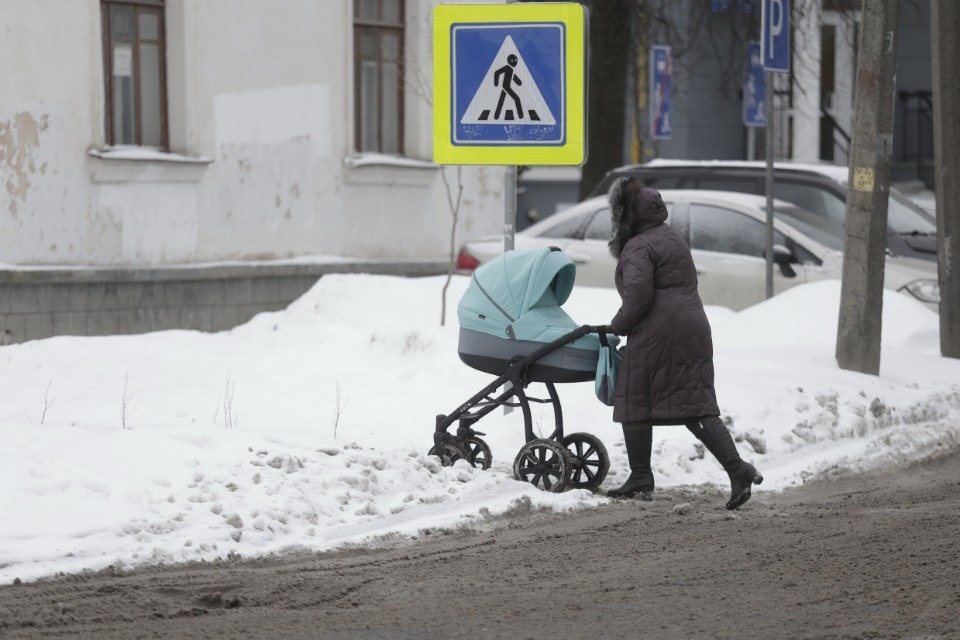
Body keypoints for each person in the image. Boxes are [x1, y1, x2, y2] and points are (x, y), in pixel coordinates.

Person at [601, 177, 762, 510]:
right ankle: (737, 469)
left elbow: (639, 294)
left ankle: (642, 476)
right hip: (691, 325)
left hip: (660, 330)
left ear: (627, 215)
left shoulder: (639, 246)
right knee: (694, 401)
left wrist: (617, 326)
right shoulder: (672, 237)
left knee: (633, 395)